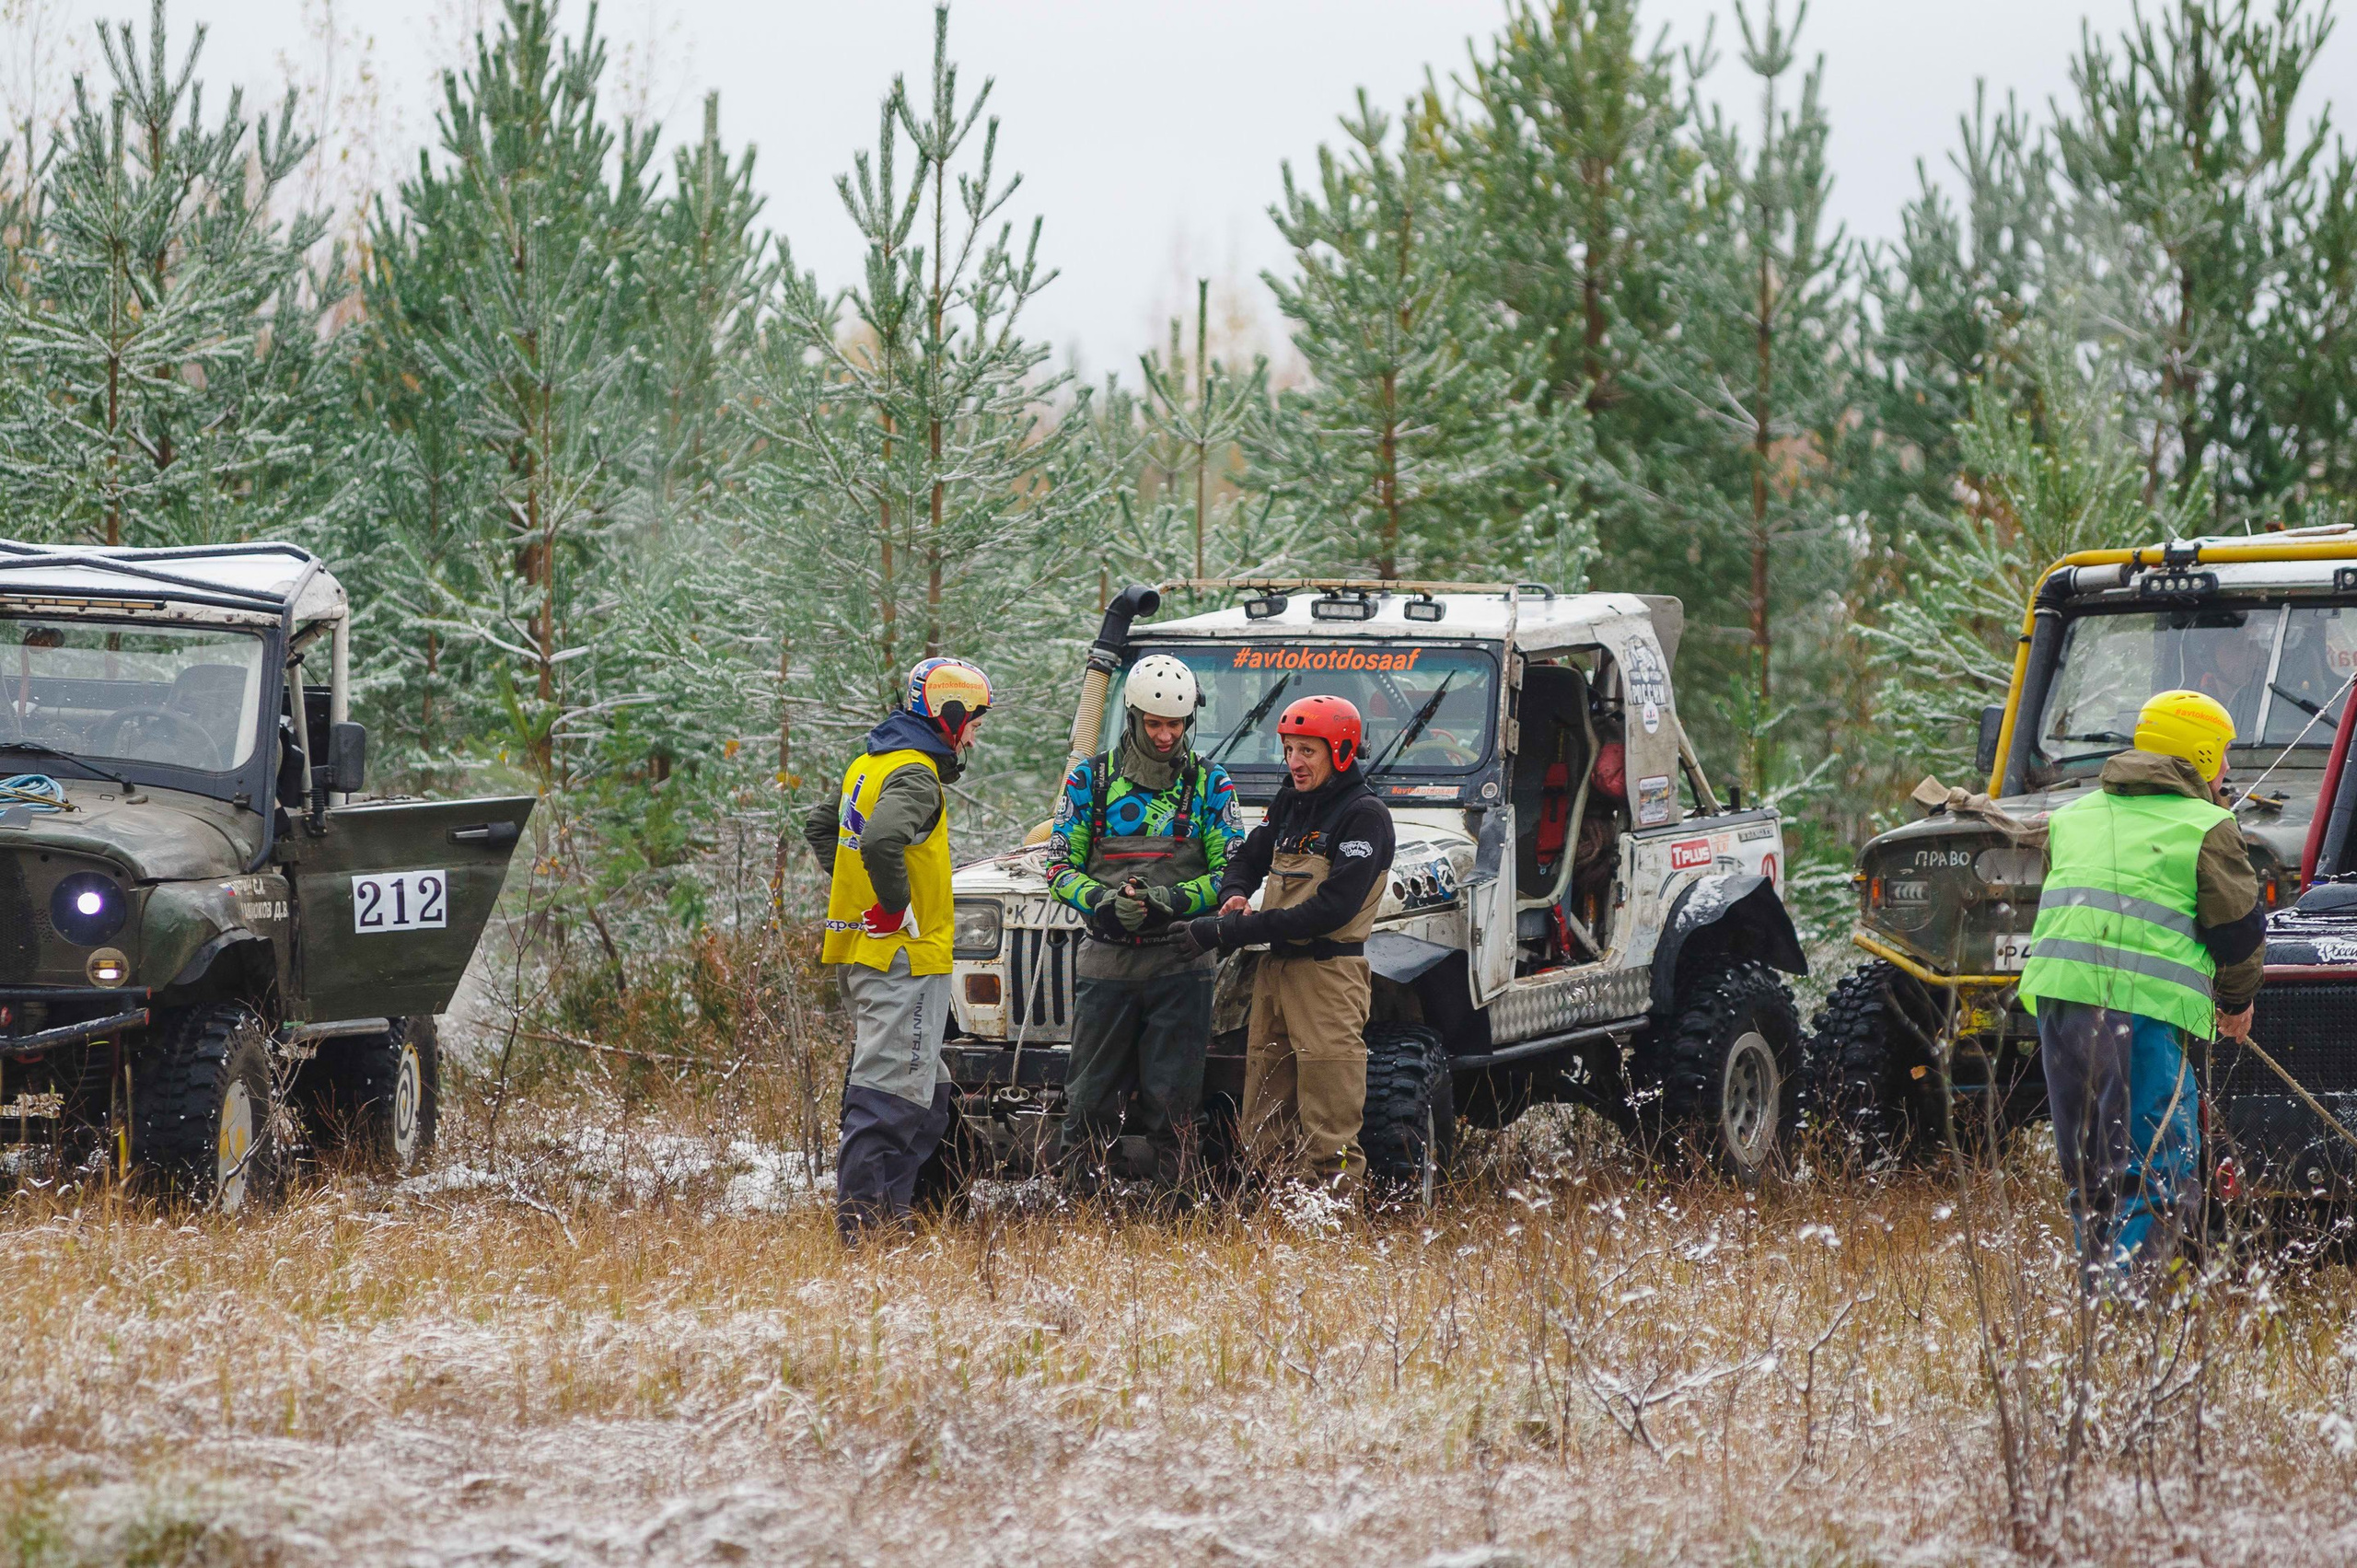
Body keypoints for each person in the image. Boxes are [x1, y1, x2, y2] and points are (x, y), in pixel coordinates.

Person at [2016, 688, 2264, 1280]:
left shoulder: (2073, 817)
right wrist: (2235, 1002)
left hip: (2057, 1009)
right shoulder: (2207, 826)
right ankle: (2124, 1317)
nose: (2228, 768)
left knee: (2088, 1169)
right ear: (2201, 755)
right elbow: (2236, 930)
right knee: (2156, 1171)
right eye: (2223, 754)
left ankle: (2091, 1309)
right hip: (2139, 1016)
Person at [803, 656, 993, 1242]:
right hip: (903, 959)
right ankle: (865, 1237)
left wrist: (859, 894)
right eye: (976, 719)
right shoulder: (915, 773)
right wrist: (890, 906)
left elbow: (819, 824)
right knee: (888, 1100)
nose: (976, 732)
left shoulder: (872, 761)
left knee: (928, 1101)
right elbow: (883, 838)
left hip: (868, 955)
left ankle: (894, 1221)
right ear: (950, 714)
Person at [1176, 694, 1396, 1194]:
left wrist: (1227, 931)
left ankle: (1332, 1237)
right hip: (1274, 975)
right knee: (1263, 1123)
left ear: (1341, 752)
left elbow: (1330, 911)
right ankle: (1288, 1226)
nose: (1294, 763)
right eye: (1289, 749)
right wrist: (1233, 895)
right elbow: (1248, 857)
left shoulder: (1364, 816)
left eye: (1307, 752)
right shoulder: (1292, 803)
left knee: (1330, 1126)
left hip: (1327, 978)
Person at [1045, 654, 1243, 1191]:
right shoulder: (1089, 780)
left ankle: (1178, 1212)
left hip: (1180, 963)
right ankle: (1077, 1206)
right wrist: (1104, 903)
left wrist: (1172, 900)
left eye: (1175, 724)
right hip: (1106, 962)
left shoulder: (1210, 784)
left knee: (1175, 1101)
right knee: (1087, 1099)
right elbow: (1058, 864)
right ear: (1132, 717)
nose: (1165, 735)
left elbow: (1233, 872)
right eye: (1154, 724)